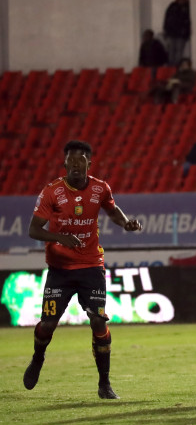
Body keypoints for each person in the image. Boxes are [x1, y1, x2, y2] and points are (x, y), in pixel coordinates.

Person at [24, 140, 143, 399]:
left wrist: (126, 223)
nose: (76, 165)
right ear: (64, 163)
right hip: (60, 269)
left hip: (91, 266)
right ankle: (38, 358)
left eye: (81, 160)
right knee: (47, 324)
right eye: (71, 160)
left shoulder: (100, 188)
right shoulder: (51, 192)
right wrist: (59, 237)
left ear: (89, 163)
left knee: (98, 321)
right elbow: (33, 230)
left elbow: (112, 210)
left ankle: (104, 384)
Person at [163, 0, 191, 66]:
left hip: (181, 34)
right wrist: (166, 30)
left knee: (179, 51)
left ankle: (176, 66)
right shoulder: (172, 5)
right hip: (171, 32)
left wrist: (186, 32)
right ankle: (171, 66)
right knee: (171, 50)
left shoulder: (188, 6)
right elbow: (167, 18)